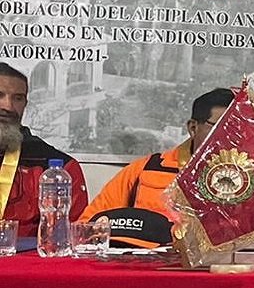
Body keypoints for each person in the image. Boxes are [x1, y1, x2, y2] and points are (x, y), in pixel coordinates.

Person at [84, 87, 232, 221]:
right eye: (220, 126)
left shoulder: (249, 181)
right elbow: (87, 226)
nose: (230, 136)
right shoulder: (146, 170)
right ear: (193, 128)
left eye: (236, 128)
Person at [0, 62, 87, 237]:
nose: (8, 107)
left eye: (17, 98)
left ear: (25, 103)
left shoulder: (57, 167)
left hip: (23, 261)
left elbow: (72, 238)